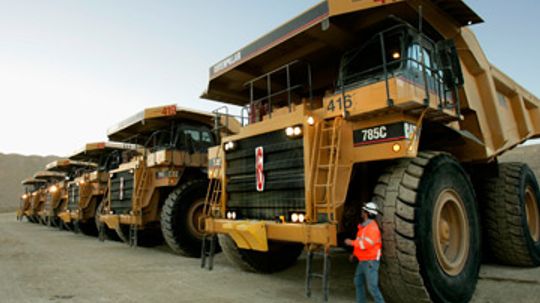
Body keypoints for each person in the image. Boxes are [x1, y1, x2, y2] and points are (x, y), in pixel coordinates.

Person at [345, 202, 384, 303]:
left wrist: (351, 242)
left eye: (363, 211)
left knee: (372, 288)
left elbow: (365, 244)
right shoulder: (364, 227)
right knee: (358, 282)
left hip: (370, 262)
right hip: (363, 261)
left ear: (367, 213)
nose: (361, 212)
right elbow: (360, 242)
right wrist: (354, 253)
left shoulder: (372, 228)